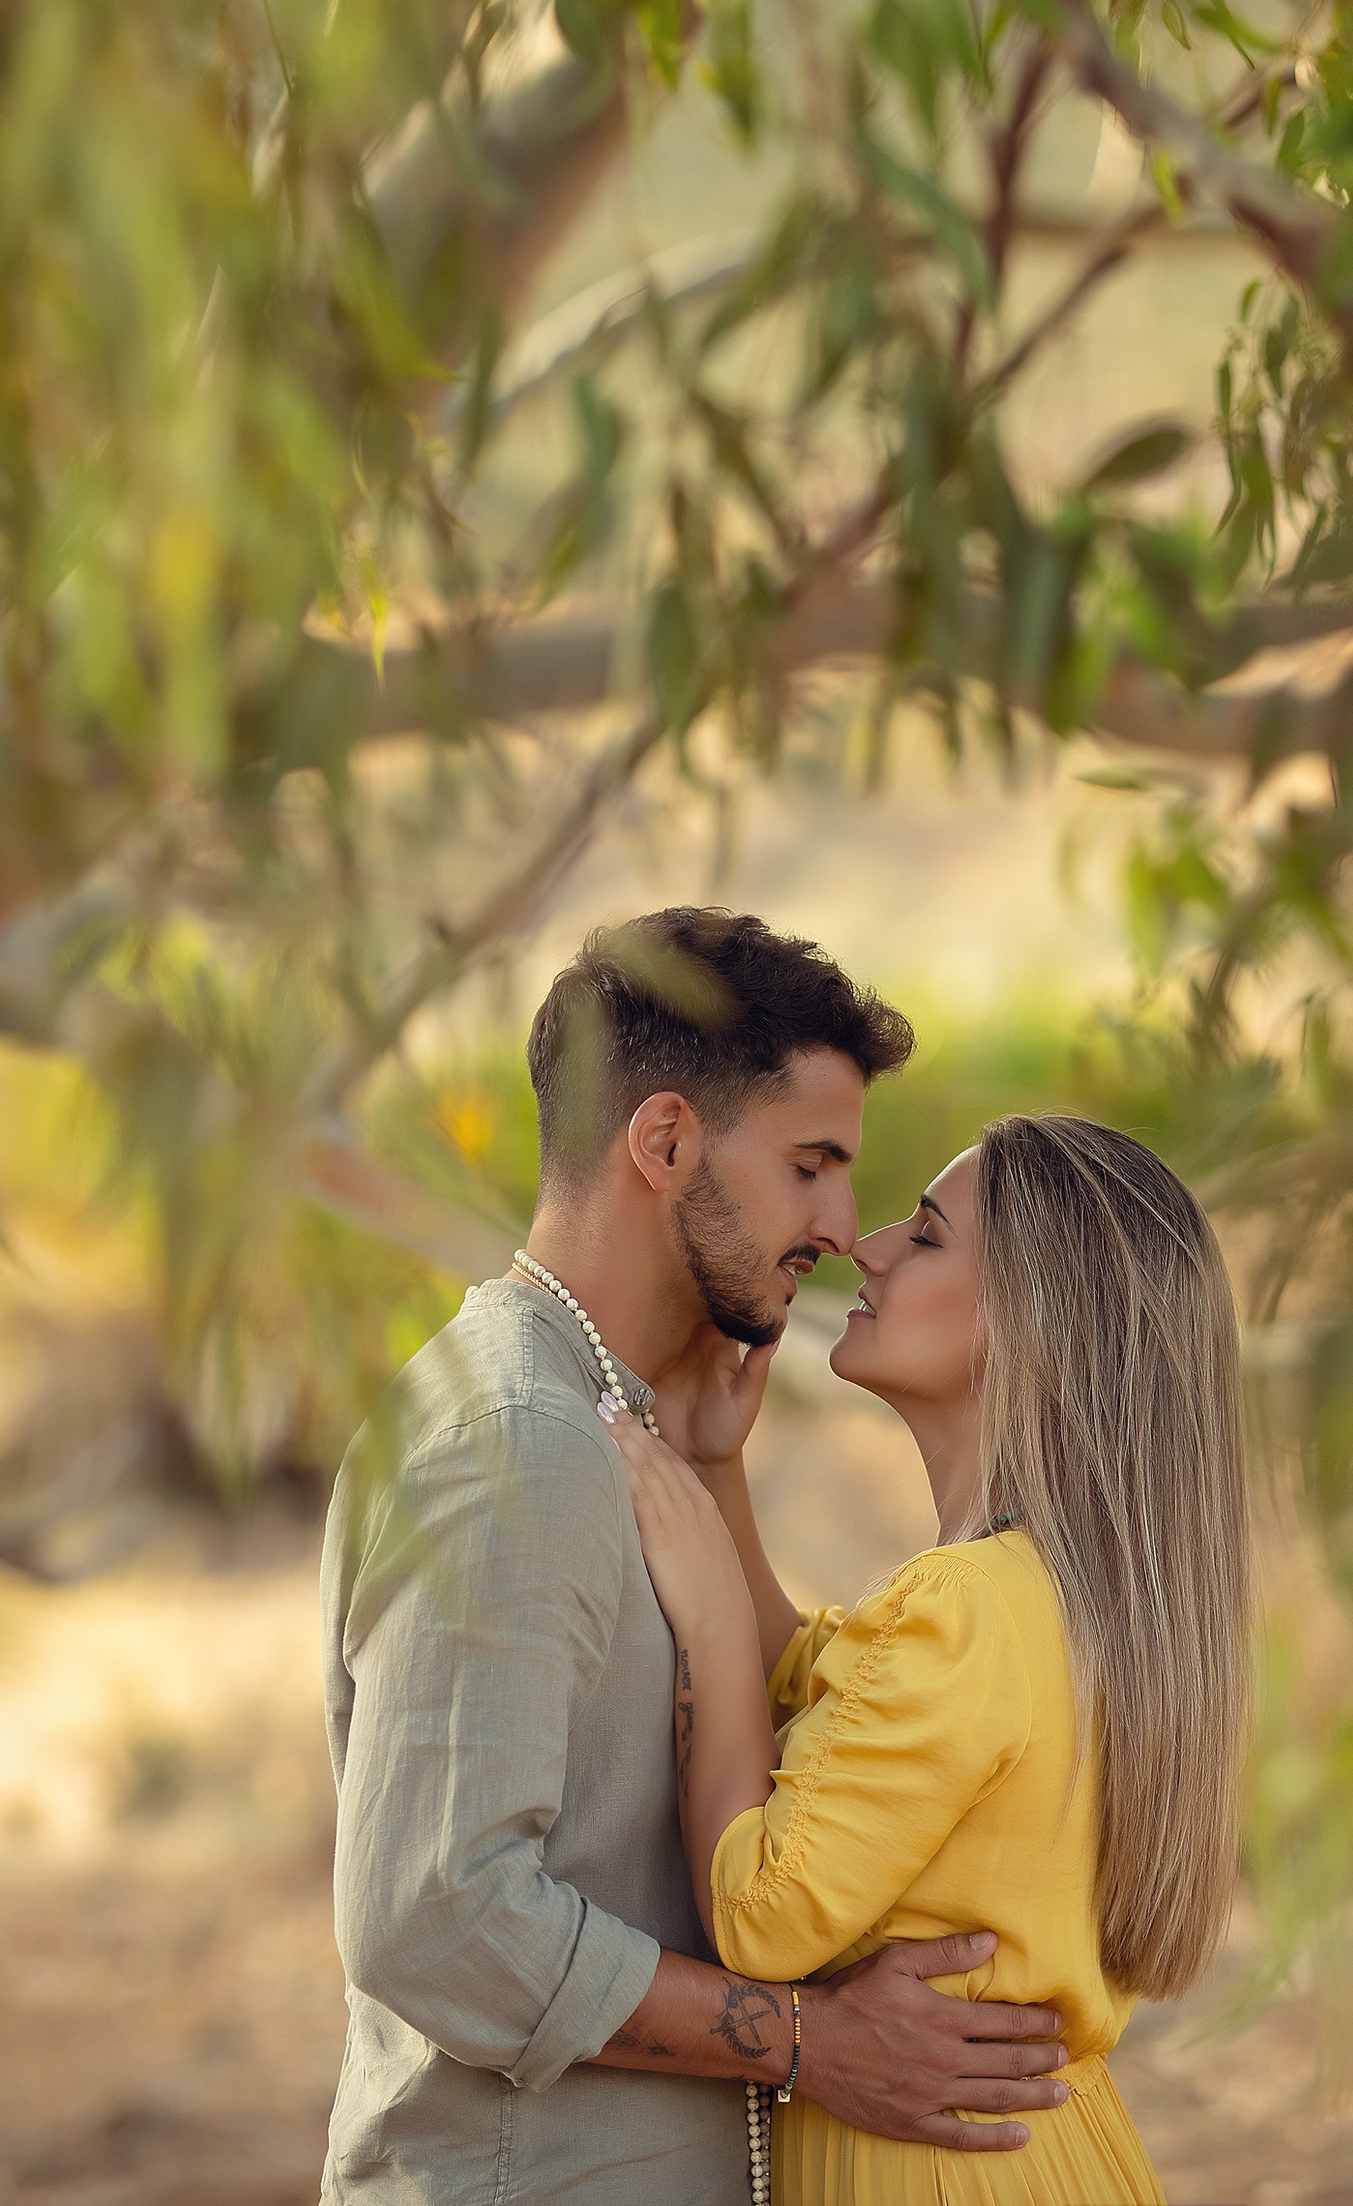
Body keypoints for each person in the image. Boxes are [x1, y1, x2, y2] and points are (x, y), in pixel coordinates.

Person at [319, 910, 1079, 2205]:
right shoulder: (519, 1440)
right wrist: (813, 2044)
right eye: (813, 1163)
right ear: (664, 1140)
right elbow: (435, 1912)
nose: (844, 1223)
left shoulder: (613, 1419)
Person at [609, 1114, 1252, 2204]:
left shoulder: (967, 1605)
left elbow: (760, 1909)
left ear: (1024, 1323)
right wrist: (716, 1469)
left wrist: (709, 1614)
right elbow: (819, 1701)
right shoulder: (1037, 1591)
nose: (871, 1242)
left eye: (930, 1233)